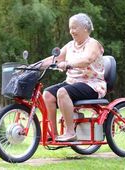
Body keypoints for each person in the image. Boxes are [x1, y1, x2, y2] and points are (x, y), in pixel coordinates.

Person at [40, 13, 107, 142]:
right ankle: (53, 133)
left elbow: (87, 60)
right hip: (72, 82)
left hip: (92, 84)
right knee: (47, 94)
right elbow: (55, 59)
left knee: (62, 92)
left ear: (85, 29)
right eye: (70, 28)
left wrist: (69, 64)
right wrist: (35, 66)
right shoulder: (70, 45)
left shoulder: (93, 44)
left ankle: (70, 132)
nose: (71, 31)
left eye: (75, 28)